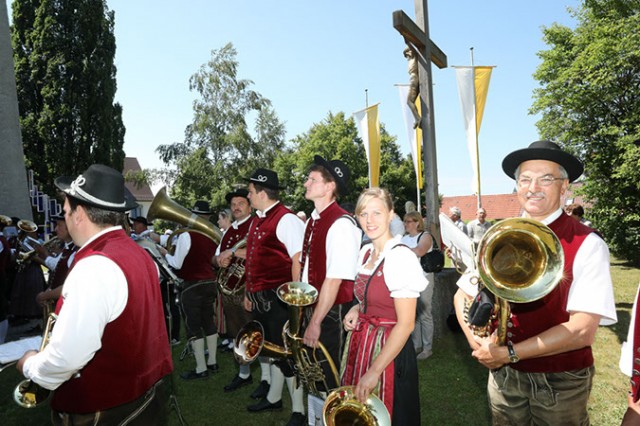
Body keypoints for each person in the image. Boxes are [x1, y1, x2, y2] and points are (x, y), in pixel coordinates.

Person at [453, 140, 617, 425]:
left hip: (560, 381)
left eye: (546, 179)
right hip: (504, 378)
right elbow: (461, 295)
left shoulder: (588, 243)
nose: (533, 188)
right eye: (525, 179)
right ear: (517, 186)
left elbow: (582, 330)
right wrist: (479, 344)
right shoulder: (499, 235)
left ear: (564, 187)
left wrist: (509, 354)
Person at [17, 164, 173, 424]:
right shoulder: (138, 253)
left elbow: (67, 358)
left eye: (65, 212)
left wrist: (30, 364)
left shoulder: (94, 265)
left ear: (79, 214)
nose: (65, 218)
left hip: (104, 411)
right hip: (144, 399)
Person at [341, 187, 427, 425]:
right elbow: (368, 297)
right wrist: (356, 309)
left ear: (391, 215)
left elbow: (406, 324)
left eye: (376, 213)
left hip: (389, 352)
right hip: (361, 343)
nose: (369, 220)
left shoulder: (401, 257)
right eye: (363, 214)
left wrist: (374, 371)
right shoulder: (365, 252)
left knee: (389, 416)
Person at [243, 168, 306, 426]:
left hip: (280, 300)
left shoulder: (286, 219)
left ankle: (299, 411)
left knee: (287, 355)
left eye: (250, 192)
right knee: (272, 351)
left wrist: (295, 301)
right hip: (261, 298)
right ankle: (273, 397)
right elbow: (254, 259)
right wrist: (249, 291)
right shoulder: (258, 219)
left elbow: (298, 259)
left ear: (261, 192)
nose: (248, 196)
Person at [300, 155, 362, 393]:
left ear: (329, 186)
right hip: (315, 307)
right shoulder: (313, 220)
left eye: (312, 179)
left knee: (330, 375)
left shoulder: (342, 224)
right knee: (313, 372)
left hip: (332, 313)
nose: (306, 183)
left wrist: (315, 322)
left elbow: (334, 279)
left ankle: (333, 409)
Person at [160, 200, 219, 380]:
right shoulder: (213, 235)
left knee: (193, 326)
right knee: (208, 321)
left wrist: (165, 254)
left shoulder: (186, 235)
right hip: (210, 282)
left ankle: (201, 368)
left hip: (192, 285)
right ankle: (213, 362)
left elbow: (177, 263)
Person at [213, 188, 257, 393]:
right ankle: (244, 374)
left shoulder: (256, 225)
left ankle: (266, 380)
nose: (236, 207)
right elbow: (215, 256)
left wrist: (232, 252)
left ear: (250, 206)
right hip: (230, 291)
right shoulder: (229, 231)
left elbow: (259, 254)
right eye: (233, 205)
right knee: (237, 333)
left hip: (248, 289)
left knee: (255, 334)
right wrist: (219, 260)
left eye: (241, 203)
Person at [401, 211, 434, 360]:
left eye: (408, 221)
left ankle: (427, 348)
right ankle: (416, 345)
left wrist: (400, 249)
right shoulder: (404, 238)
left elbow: (420, 251)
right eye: (405, 221)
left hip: (424, 278)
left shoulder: (425, 236)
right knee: (413, 314)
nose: (405, 224)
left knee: (425, 314)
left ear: (417, 222)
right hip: (409, 280)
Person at [34, 215, 77, 310]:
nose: (56, 229)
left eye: (59, 225)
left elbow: (70, 286)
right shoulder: (68, 248)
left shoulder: (75, 251)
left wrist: (45, 295)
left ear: (69, 227)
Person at [404, 44, 421, 129]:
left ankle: (418, 118)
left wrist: (405, 37)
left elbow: (410, 44)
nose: (407, 56)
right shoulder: (411, 59)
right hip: (415, 78)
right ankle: (417, 118)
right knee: (411, 101)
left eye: (406, 54)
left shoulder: (414, 55)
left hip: (414, 78)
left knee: (409, 101)